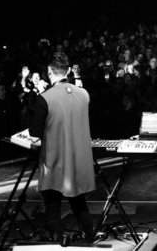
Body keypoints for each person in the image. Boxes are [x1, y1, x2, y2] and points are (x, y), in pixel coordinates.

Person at [29, 52, 96, 242]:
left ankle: (59, 239)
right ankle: (89, 235)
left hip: (55, 161)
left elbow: (35, 134)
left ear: (49, 71)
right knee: (78, 201)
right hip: (78, 160)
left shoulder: (45, 98)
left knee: (52, 206)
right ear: (68, 71)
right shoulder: (84, 94)